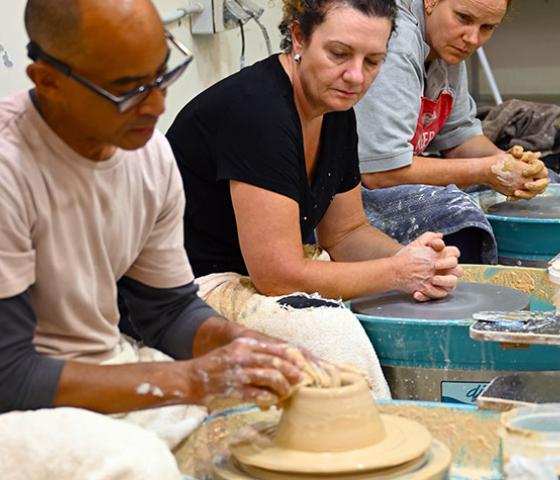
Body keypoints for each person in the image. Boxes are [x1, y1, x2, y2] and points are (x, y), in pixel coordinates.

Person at [0, 0, 313, 477]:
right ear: (48, 81)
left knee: (271, 420)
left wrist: (240, 344)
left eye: (162, 75)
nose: (157, 104)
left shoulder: (147, 154)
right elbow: (12, 376)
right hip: (14, 402)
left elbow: (166, 311)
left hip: (103, 365)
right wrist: (188, 379)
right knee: (140, 462)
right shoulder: (10, 168)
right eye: (128, 90)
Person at [167, 0, 462, 398]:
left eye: (373, 61)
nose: (355, 76)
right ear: (299, 38)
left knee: (402, 299)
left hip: (261, 275)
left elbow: (346, 234)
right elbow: (278, 275)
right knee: (331, 332)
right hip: (189, 288)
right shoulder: (258, 111)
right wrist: (395, 272)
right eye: (339, 54)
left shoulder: (336, 109)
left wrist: (416, 263)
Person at [355, 0, 550, 264]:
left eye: (487, 27)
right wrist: (487, 170)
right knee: (458, 215)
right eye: (463, 18)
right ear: (431, 2)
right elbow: (380, 173)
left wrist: (515, 166)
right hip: (338, 191)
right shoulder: (395, 40)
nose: (472, 39)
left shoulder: (446, 45)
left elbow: (460, 137)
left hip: (384, 174)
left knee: (552, 182)